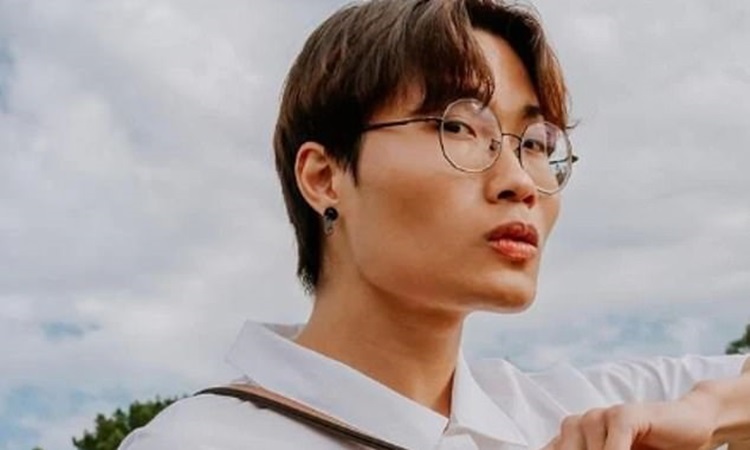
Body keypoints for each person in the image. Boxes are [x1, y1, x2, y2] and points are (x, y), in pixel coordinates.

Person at [118, 0, 750, 449]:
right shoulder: (200, 440)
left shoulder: (567, 414)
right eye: (459, 127)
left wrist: (709, 412)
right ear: (324, 177)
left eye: (535, 142)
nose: (520, 180)